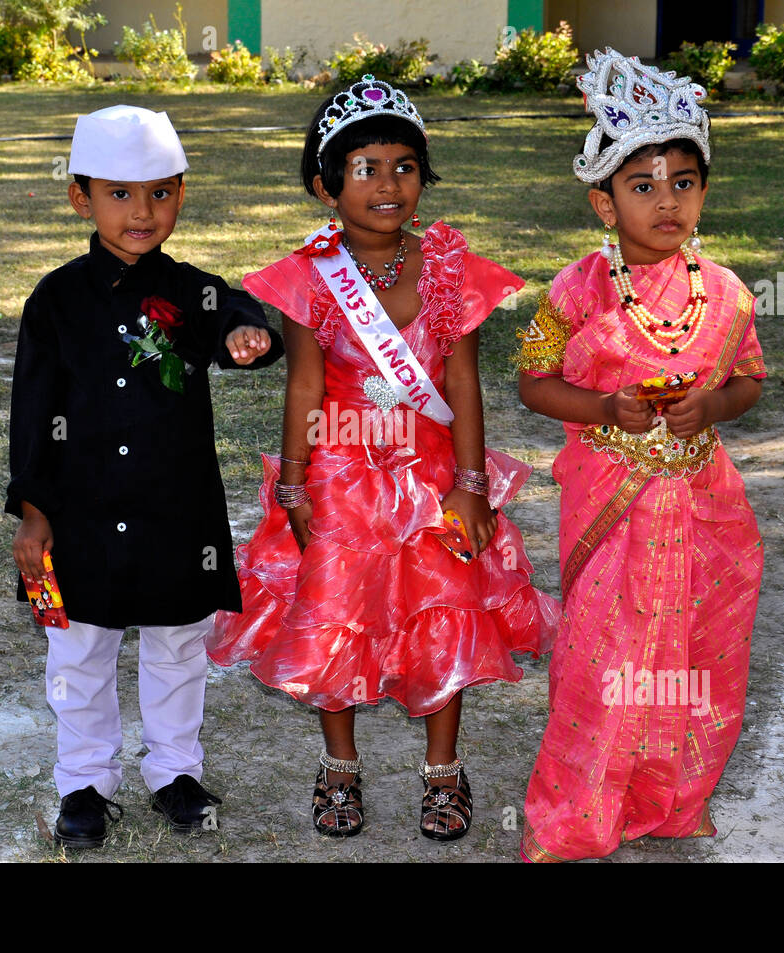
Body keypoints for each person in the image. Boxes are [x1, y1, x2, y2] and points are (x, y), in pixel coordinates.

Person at [206, 76, 560, 842]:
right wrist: (293, 483)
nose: (387, 184)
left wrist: (472, 485)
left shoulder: (448, 267)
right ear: (324, 186)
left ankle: (443, 768)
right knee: (336, 614)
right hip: (338, 471)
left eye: (404, 165)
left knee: (446, 612)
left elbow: (461, 382)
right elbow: (303, 382)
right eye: (365, 168)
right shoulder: (310, 275)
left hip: (432, 473)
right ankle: (340, 764)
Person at [6, 104, 284, 848]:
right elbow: (32, 416)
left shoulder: (190, 290)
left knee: (176, 645)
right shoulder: (56, 300)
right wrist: (35, 513)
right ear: (80, 197)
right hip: (80, 514)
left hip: (174, 513)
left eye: (161, 192)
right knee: (81, 651)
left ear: (182, 194)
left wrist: (244, 332)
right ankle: (85, 783)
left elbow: (231, 312)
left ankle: (174, 772)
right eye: (120, 194)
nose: (142, 211)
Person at [516, 49, 766, 862]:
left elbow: (750, 379)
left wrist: (713, 406)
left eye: (684, 182)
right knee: (606, 655)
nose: (668, 200)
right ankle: (578, 813)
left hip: (703, 505)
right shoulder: (573, 289)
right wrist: (600, 410)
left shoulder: (727, 292)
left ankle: (670, 797)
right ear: (604, 200)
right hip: (611, 499)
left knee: (697, 652)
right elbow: (531, 379)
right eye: (644, 184)